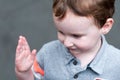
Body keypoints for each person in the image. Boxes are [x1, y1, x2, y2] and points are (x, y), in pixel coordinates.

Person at [15, 0, 120, 80]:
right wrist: (24, 72)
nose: (66, 43)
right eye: (61, 32)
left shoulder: (117, 63)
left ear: (105, 26)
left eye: (76, 36)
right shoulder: (47, 53)